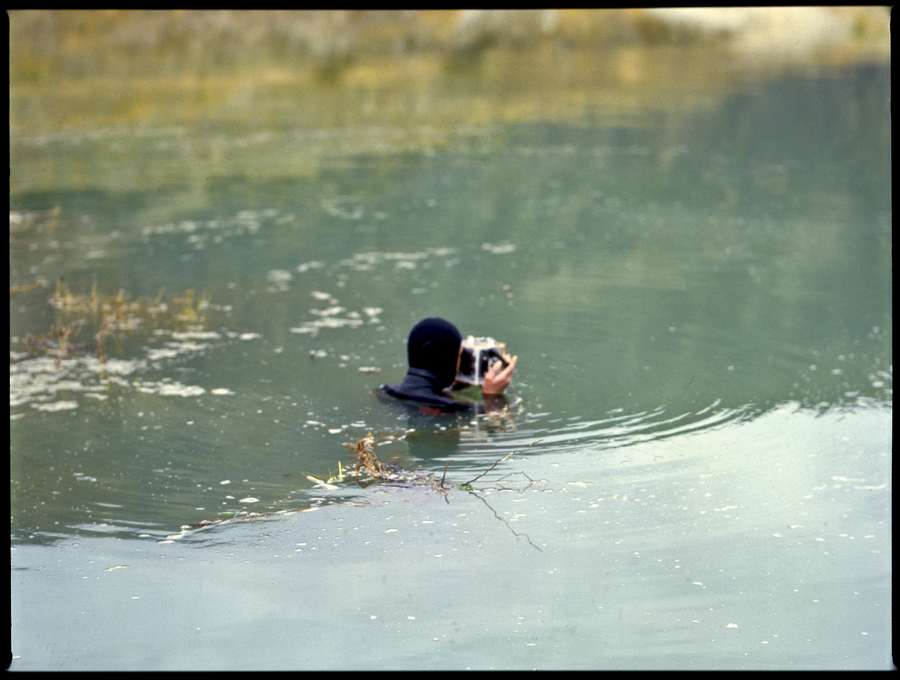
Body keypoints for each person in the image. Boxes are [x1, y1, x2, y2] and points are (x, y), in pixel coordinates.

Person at [377, 317, 517, 414]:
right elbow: (495, 416)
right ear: (447, 360)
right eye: (459, 355)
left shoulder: (385, 391)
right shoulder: (450, 408)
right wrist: (492, 396)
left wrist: (453, 387)